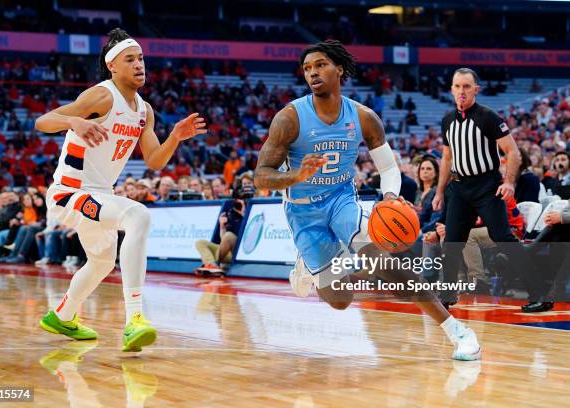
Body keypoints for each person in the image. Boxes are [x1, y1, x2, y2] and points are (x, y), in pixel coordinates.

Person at [254, 40, 480, 361]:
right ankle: (309, 265)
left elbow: (388, 167)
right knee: (340, 299)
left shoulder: (363, 117)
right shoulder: (290, 118)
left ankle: (457, 331)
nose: (313, 73)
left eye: (320, 65)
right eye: (307, 68)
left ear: (339, 69)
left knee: (384, 260)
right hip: (304, 213)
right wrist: (294, 177)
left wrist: (389, 197)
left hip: (342, 201)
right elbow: (261, 176)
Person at [35, 28, 207, 352]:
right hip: (69, 193)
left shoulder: (145, 111)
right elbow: (43, 122)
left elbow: (155, 160)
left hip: (100, 194)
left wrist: (175, 137)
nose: (139, 64)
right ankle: (135, 320)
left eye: (141, 58)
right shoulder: (102, 96)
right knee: (138, 216)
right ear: (112, 65)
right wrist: (75, 122)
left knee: (101, 263)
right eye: (130, 59)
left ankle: (63, 315)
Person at [432, 67, 532, 308]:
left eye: (467, 86)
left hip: (488, 185)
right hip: (460, 186)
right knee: (453, 242)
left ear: (476, 89)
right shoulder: (447, 120)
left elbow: (513, 152)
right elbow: (447, 159)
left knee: (503, 237)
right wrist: (438, 192)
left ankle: (539, 291)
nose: (462, 91)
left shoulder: (488, 117)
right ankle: (447, 295)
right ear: (451, 90)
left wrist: (508, 181)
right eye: (457, 86)